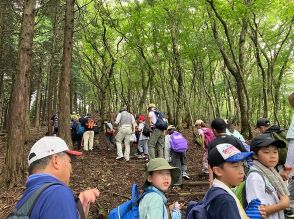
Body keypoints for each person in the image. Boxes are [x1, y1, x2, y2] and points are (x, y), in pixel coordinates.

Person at [14, 136, 100, 218]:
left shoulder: (27, 198)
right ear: (56, 161)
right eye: (70, 162)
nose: (71, 170)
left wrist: (78, 213)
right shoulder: (58, 193)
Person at [207, 143, 256, 219]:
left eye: (242, 165)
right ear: (218, 171)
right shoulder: (226, 200)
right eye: (235, 166)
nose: (242, 171)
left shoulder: (215, 191)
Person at [247, 134, 290, 219]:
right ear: (254, 155)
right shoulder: (255, 177)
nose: (273, 156)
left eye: (275, 151)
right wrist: (283, 204)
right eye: (266, 152)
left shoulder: (271, 172)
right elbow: (256, 212)